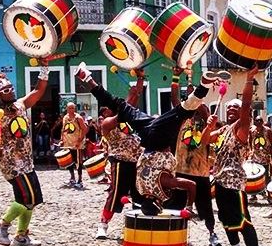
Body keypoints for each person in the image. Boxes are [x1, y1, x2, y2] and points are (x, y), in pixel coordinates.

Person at [75, 62, 218, 218]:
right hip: (146, 133)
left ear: (158, 203)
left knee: (184, 109)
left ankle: (204, 85)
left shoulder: (164, 184)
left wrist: (189, 207)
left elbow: (191, 185)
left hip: (159, 139)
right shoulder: (141, 187)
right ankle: (86, 76)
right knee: (116, 103)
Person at [208, 66, 268, 246]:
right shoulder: (224, 130)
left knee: (243, 222)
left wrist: (249, 80)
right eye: (230, 108)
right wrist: (209, 124)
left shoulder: (242, 129)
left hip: (234, 183)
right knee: (225, 218)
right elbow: (205, 140)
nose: (233, 109)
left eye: (236, 108)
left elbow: (245, 105)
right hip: (221, 181)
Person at [0, 66, 49, 246]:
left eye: (11, 88)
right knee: (30, 199)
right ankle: (0, 226)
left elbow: (39, 90)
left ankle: (21, 236)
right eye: (5, 90)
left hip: (27, 162)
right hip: (11, 165)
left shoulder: (21, 105)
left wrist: (44, 67)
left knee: (29, 201)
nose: (10, 92)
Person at [164, 66, 222, 246]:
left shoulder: (211, 126)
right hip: (180, 169)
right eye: (196, 108)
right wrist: (175, 77)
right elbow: (175, 99)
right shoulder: (183, 120)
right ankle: (172, 235)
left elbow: (205, 114)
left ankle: (212, 233)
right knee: (175, 205)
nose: (198, 109)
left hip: (201, 173)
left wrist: (204, 111)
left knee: (205, 208)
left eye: (202, 108)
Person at [95, 75, 146, 239]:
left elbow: (136, 97)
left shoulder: (125, 118)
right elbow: (128, 106)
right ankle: (103, 225)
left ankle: (138, 225)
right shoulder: (107, 123)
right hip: (119, 161)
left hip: (136, 161)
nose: (110, 109)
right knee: (115, 193)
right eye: (107, 109)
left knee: (139, 193)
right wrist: (131, 95)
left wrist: (140, 78)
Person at [247, 115, 272, 204]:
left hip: (265, 158)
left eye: (260, 120)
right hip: (255, 158)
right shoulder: (252, 130)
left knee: (267, 177)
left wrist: (271, 153)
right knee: (254, 177)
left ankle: (269, 196)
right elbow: (250, 141)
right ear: (255, 122)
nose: (259, 122)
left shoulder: (267, 131)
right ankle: (254, 195)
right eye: (257, 121)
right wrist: (250, 151)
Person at [60, 102, 88, 189]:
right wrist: (62, 139)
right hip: (68, 142)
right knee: (69, 161)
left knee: (78, 161)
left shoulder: (78, 118)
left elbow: (85, 129)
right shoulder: (65, 117)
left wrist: (80, 139)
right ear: (67, 109)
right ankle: (72, 178)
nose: (71, 110)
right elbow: (64, 128)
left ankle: (80, 179)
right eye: (69, 108)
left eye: (73, 108)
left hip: (77, 144)